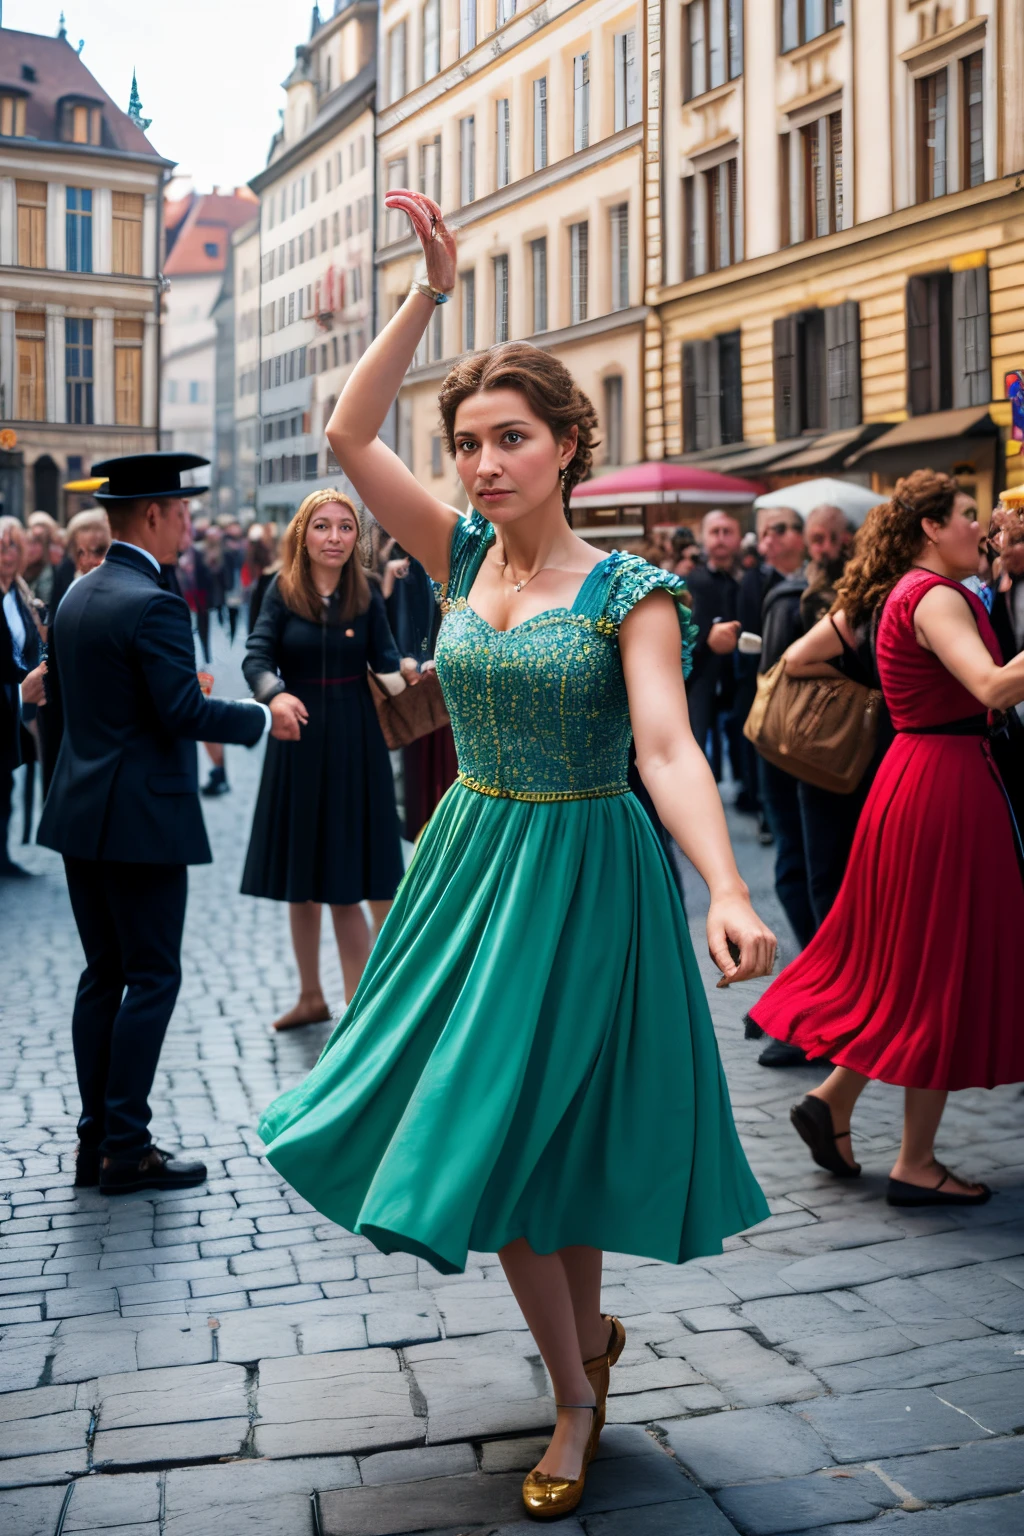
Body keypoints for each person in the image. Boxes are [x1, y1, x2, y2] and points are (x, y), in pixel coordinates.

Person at [258, 190, 776, 1522]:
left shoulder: (631, 593)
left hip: (585, 878)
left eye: (510, 441)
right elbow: (346, 433)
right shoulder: (464, 552)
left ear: (565, 449)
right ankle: (582, 1364)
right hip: (468, 866)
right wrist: (430, 294)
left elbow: (665, 748)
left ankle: (574, 1395)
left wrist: (723, 882)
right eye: (470, 442)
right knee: (507, 1145)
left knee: (545, 1150)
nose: (482, 463)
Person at [749, 470, 1024, 1206]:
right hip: (946, 783)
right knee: (942, 966)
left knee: (911, 961)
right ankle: (916, 1161)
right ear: (931, 527)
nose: (981, 527)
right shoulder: (936, 597)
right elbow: (993, 688)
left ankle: (834, 1101)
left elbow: (801, 658)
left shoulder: (897, 592)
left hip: (913, 774)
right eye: (970, 514)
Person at [37, 453, 278, 1197]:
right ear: (152, 516)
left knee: (103, 976)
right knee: (151, 976)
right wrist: (263, 715)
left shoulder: (79, 593)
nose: (189, 523)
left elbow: (70, 716)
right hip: (140, 817)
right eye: (182, 512)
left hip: (81, 812)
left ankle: (96, 1141)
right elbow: (183, 712)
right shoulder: (153, 602)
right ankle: (126, 1146)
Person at [241, 490, 417, 1030]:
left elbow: (386, 662)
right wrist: (273, 694)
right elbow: (257, 655)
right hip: (297, 738)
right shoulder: (280, 589)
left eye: (345, 528)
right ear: (303, 534)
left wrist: (410, 668)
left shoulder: (365, 593)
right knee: (304, 878)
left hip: (354, 742)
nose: (335, 537)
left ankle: (359, 1009)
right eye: (323, 527)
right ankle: (311, 996)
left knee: (348, 878)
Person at [1, 518, 47, 878]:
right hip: (10, 698)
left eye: (11, 545)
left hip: (17, 705)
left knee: (7, 782)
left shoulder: (19, 592)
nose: (6, 552)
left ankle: (2, 854)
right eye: (1, 546)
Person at [683, 511, 742, 773]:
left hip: (742, 680)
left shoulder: (750, 579)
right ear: (703, 538)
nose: (720, 538)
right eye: (714, 532)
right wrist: (707, 635)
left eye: (727, 532)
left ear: (738, 538)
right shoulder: (690, 581)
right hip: (699, 677)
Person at [24, 512, 64, 610]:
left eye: (39, 542)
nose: (31, 549)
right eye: (30, 542)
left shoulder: (53, 570)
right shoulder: (19, 567)